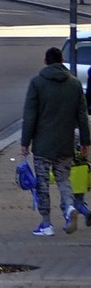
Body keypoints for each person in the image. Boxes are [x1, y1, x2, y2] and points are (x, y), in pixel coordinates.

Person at [21, 46, 90, 236]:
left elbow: (30, 115)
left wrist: (25, 141)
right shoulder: (75, 84)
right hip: (65, 142)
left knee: (42, 182)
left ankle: (46, 224)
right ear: (62, 61)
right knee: (63, 178)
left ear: (46, 61)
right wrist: (85, 142)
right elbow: (82, 116)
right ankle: (69, 208)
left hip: (43, 143)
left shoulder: (37, 83)